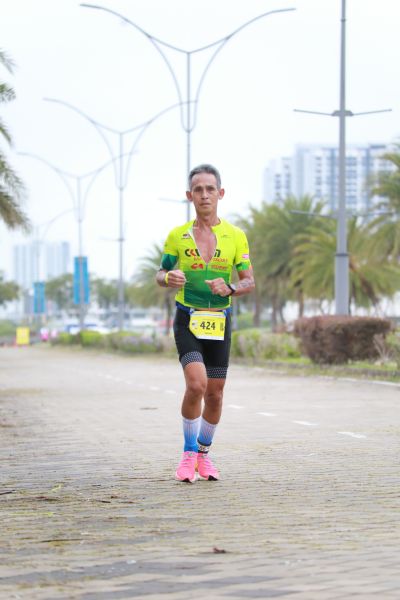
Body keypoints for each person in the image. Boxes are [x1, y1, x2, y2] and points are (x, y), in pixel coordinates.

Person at [156, 164, 255, 483]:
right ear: (189, 196)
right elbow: (160, 273)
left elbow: (249, 281)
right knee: (196, 385)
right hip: (188, 318)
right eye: (198, 189)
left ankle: (203, 455)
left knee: (215, 394)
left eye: (210, 189)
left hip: (220, 321)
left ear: (220, 193)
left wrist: (230, 288)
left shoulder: (235, 236)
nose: (204, 195)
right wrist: (168, 277)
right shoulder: (178, 236)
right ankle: (187, 455)